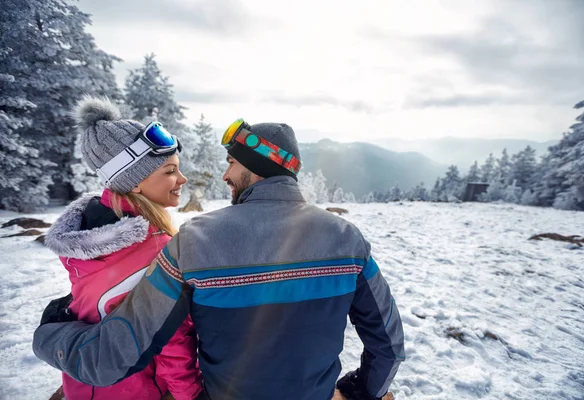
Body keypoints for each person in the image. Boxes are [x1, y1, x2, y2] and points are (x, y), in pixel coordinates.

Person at [33, 118, 405, 400]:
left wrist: (50, 334)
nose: (225, 175)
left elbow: (113, 356)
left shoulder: (194, 242)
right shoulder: (347, 239)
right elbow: (388, 344)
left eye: (231, 163)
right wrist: (359, 391)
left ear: (254, 167)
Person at [39, 97, 202, 400]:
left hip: (85, 383)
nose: (182, 179)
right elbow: (171, 340)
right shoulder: (158, 249)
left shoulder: (86, 227)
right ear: (135, 182)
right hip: (139, 388)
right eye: (169, 171)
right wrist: (190, 395)